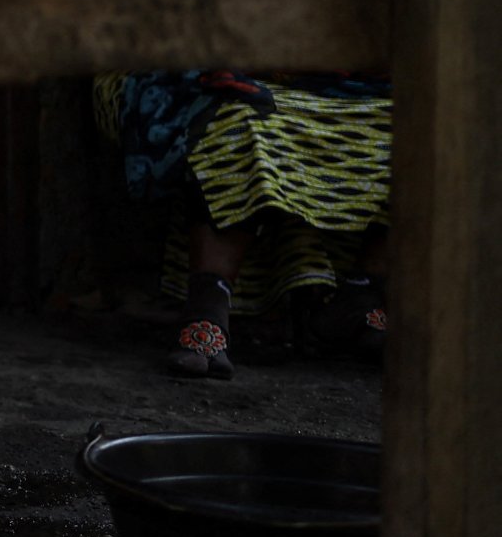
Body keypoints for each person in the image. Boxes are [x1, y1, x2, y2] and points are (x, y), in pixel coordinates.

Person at [97, 69, 390, 378]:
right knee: (240, 114)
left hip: (329, 77)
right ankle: (208, 304)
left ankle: (361, 293)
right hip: (193, 63)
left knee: (423, 121)